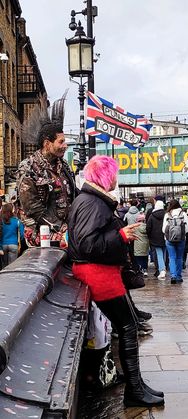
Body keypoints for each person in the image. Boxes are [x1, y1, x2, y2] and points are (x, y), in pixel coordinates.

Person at [68, 155, 164, 408]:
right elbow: (88, 244)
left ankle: (138, 385)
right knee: (129, 327)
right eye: (114, 175)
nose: (116, 180)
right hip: (99, 274)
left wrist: (118, 236)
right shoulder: (93, 204)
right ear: (105, 176)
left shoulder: (89, 200)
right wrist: (120, 235)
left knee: (129, 325)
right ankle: (134, 391)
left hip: (102, 273)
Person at [16, 93, 77, 247]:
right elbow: (33, 208)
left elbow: (73, 196)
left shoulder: (64, 166)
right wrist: (61, 229)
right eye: (61, 141)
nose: (65, 145)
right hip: (42, 236)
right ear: (47, 143)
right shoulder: (29, 168)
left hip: (66, 234)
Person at [162, 199, 188, 284]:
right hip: (181, 239)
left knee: (172, 257)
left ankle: (173, 276)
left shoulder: (167, 214)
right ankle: (178, 276)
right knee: (179, 258)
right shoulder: (183, 214)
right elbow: (187, 228)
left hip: (169, 239)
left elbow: (163, 229)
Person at [146, 199, 166, 280]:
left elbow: (148, 228)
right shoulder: (166, 215)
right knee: (164, 254)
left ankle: (162, 270)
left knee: (159, 254)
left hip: (155, 238)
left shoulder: (152, 215)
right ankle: (165, 268)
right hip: (165, 237)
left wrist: (149, 236)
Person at [0, 203, 24, 268]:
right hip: (14, 245)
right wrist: (18, 241)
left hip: (3, 246)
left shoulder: (1, 222)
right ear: (11, 211)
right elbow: (22, 234)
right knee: (12, 266)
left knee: (4, 266)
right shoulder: (17, 221)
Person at [133, 212, 149, 276]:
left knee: (138, 258)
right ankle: (145, 269)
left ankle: (139, 269)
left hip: (137, 245)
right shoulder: (147, 227)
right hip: (145, 245)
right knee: (145, 257)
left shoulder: (135, 227)